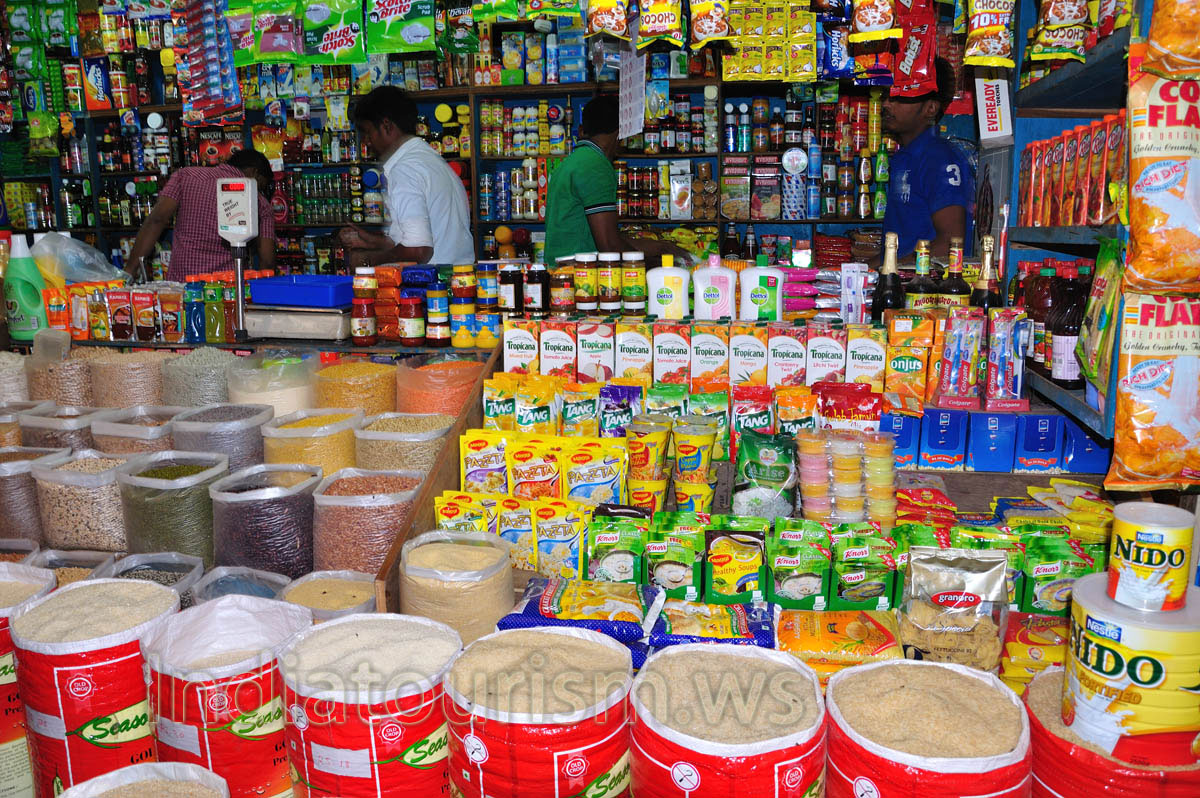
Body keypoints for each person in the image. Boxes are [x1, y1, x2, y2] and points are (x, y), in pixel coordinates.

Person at [545, 93, 688, 265]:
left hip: (561, 272)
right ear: (620, 134)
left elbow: (601, 235)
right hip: (580, 276)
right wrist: (660, 266)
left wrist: (659, 247)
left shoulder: (569, 163)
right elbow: (609, 246)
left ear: (582, 130)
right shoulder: (595, 166)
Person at [339, 86, 475, 265]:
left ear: (386, 126)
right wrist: (372, 241)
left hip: (434, 288)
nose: (365, 141)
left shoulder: (404, 170)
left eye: (367, 131)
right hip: (456, 281)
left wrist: (368, 260)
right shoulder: (431, 160)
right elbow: (421, 236)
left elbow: (418, 250)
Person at [877, 57, 974, 262]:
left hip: (927, 290)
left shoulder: (938, 159)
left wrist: (887, 270)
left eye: (900, 97)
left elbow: (951, 244)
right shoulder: (905, 157)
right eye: (887, 95)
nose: (886, 103)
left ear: (930, 108)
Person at [127, 148, 276, 281]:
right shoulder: (261, 203)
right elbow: (267, 261)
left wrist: (129, 271)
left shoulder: (185, 176)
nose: (259, 191)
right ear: (255, 173)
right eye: (261, 185)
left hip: (183, 285)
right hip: (227, 291)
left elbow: (157, 220)